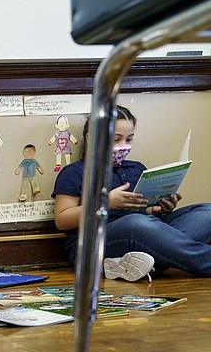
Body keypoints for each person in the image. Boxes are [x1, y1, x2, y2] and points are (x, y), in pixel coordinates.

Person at [52, 105, 211, 281]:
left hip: (141, 233)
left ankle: (138, 264)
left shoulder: (136, 168)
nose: (123, 146)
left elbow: (145, 214)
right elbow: (62, 220)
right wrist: (105, 203)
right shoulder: (75, 172)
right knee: (136, 223)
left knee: (207, 212)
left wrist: (161, 208)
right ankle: (198, 261)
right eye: (115, 140)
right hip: (94, 244)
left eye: (129, 140)